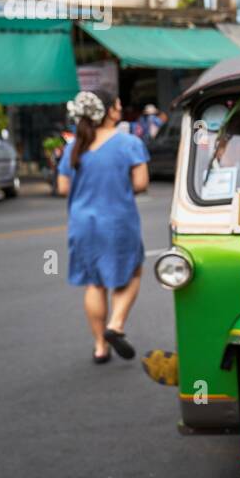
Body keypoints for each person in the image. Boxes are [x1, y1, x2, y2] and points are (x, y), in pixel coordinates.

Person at [57, 89, 150, 364]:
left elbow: (63, 186)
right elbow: (141, 184)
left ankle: (100, 346)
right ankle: (116, 325)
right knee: (132, 272)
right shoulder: (128, 143)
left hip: (82, 223)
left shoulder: (75, 146)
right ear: (109, 111)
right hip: (118, 220)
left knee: (94, 283)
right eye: (118, 105)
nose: (120, 108)